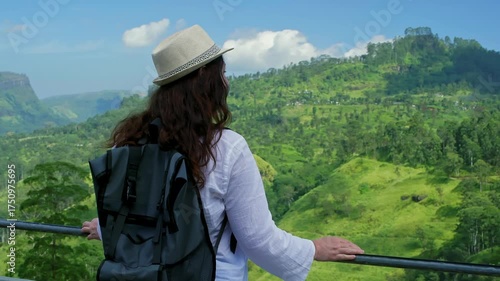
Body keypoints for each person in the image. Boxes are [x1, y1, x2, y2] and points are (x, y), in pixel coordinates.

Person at [82, 24, 364, 281]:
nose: (227, 82)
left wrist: (103, 229)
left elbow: (133, 219)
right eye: (223, 73)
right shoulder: (226, 148)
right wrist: (313, 248)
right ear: (206, 78)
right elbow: (258, 240)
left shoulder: (129, 144)